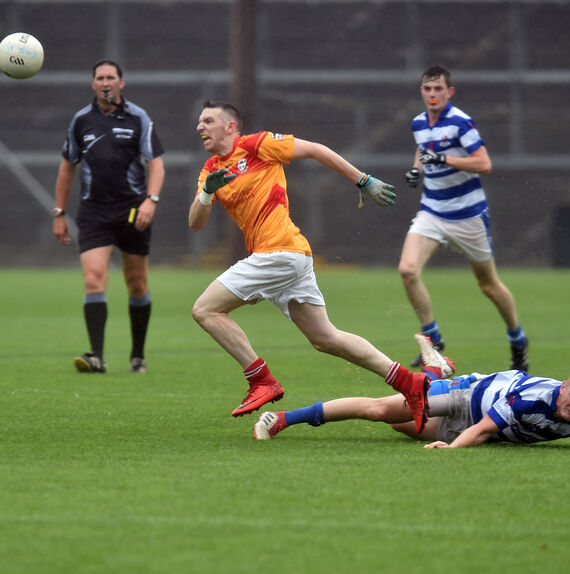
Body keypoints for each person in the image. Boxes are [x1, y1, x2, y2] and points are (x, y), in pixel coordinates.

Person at [188, 100, 431, 430]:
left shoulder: (257, 145)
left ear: (230, 126)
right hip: (290, 257)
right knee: (325, 338)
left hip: (279, 254)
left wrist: (362, 179)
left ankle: (260, 380)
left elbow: (316, 150)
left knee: (205, 309)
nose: (200, 127)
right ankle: (408, 382)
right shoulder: (211, 169)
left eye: (208, 121)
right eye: (200, 122)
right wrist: (207, 193)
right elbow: (196, 223)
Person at [253, 334, 570, 451]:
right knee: (380, 411)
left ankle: (434, 370)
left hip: (475, 424)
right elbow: (483, 429)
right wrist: (452, 449)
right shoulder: (532, 399)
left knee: (400, 426)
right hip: (466, 397)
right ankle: (283, 420)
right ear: (563, 387)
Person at [401, 65, 529, 372]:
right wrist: (417, 170)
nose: (433, 94)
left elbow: (484, 164)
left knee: (488, 286)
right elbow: (423, 150)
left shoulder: (461, 122)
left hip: (468, 216)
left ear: (450, 92)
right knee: (407, 270)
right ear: (422, 92)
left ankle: (518, 339)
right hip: (432, 211)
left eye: (438, 89)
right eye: (428, 89)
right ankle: (433, 338)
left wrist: (443, 158)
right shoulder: (418, 123)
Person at [53, 59, 165, 374]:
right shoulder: (81, 121)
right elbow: (67, 168)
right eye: (100, 78)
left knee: (137, 283)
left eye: (110, 77)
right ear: (93, 84)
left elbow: (156, 164)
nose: (105, 83)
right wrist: (59, 213)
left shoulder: (138, 117)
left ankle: (138, 355)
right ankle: (96, 358)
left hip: (133, 211)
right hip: (94, 212)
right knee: (93, 279)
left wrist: (151, 201)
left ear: (121, 83)